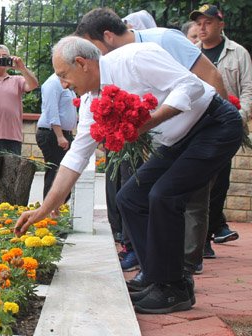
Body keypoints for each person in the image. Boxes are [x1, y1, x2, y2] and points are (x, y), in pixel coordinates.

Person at [15, 36, 242, 314]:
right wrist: (45, 209)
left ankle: (172, 289)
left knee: (163, 195)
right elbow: (76, 156)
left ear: (82, 63)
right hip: (178, 140)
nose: (63, 84)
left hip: (215, 125)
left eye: (64, 75)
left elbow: (191, 85)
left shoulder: (135, 58)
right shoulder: (91, 101)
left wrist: (148, 122)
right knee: (131, 197)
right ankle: (158, 276)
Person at [74, 7, 229, 279]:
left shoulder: (158, 43)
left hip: (205, 127)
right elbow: (79, 149)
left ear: (107, 37)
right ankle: (157, 275)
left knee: (170, 196)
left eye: (90, 46)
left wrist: (216, 143)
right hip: (170, 138)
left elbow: (208, 79)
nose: (89, 56)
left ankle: (180, 274)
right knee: (134, 196)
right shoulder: (110, 70)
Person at [191, 4, 252, 257]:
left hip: (225, 127)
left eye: (208, 23)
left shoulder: (238, 53)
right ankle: (198, 238)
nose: (202, 28)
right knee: (197, 182)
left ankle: (205, 238)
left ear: (220, 25)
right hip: (197, 126)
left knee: (219, 184)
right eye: (199, 23)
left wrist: (239, 116)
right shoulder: (191, 52)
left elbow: (248, 89)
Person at [36, 73, 77, 200]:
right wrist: (59, 136)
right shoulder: (52, 83)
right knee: (55, 173)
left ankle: (60, 207)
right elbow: (51, 110)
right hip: (52, 133)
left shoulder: (66, 81)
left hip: (63, 133)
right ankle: (50, 211)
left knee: (64, 173)